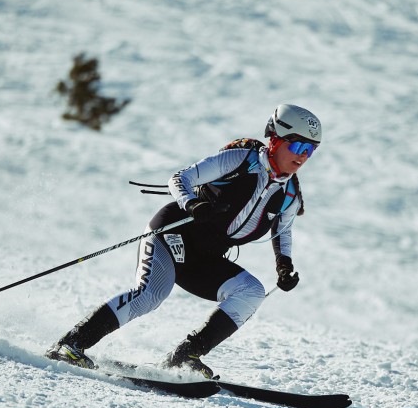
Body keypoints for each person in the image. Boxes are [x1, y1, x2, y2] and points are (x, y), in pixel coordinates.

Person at [46, 104, 322, 379]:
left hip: (206, 255)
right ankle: (71, 344)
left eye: (310, 150)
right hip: (174, 233)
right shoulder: (242, 160)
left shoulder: (290, 193)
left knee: (251, 291)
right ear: (275, 140)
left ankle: (184, 357)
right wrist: (192, 204)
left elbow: (282, 231)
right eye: (298, 147)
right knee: (151, 294)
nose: (303, 157)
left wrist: (284, 265)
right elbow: (180, 178)